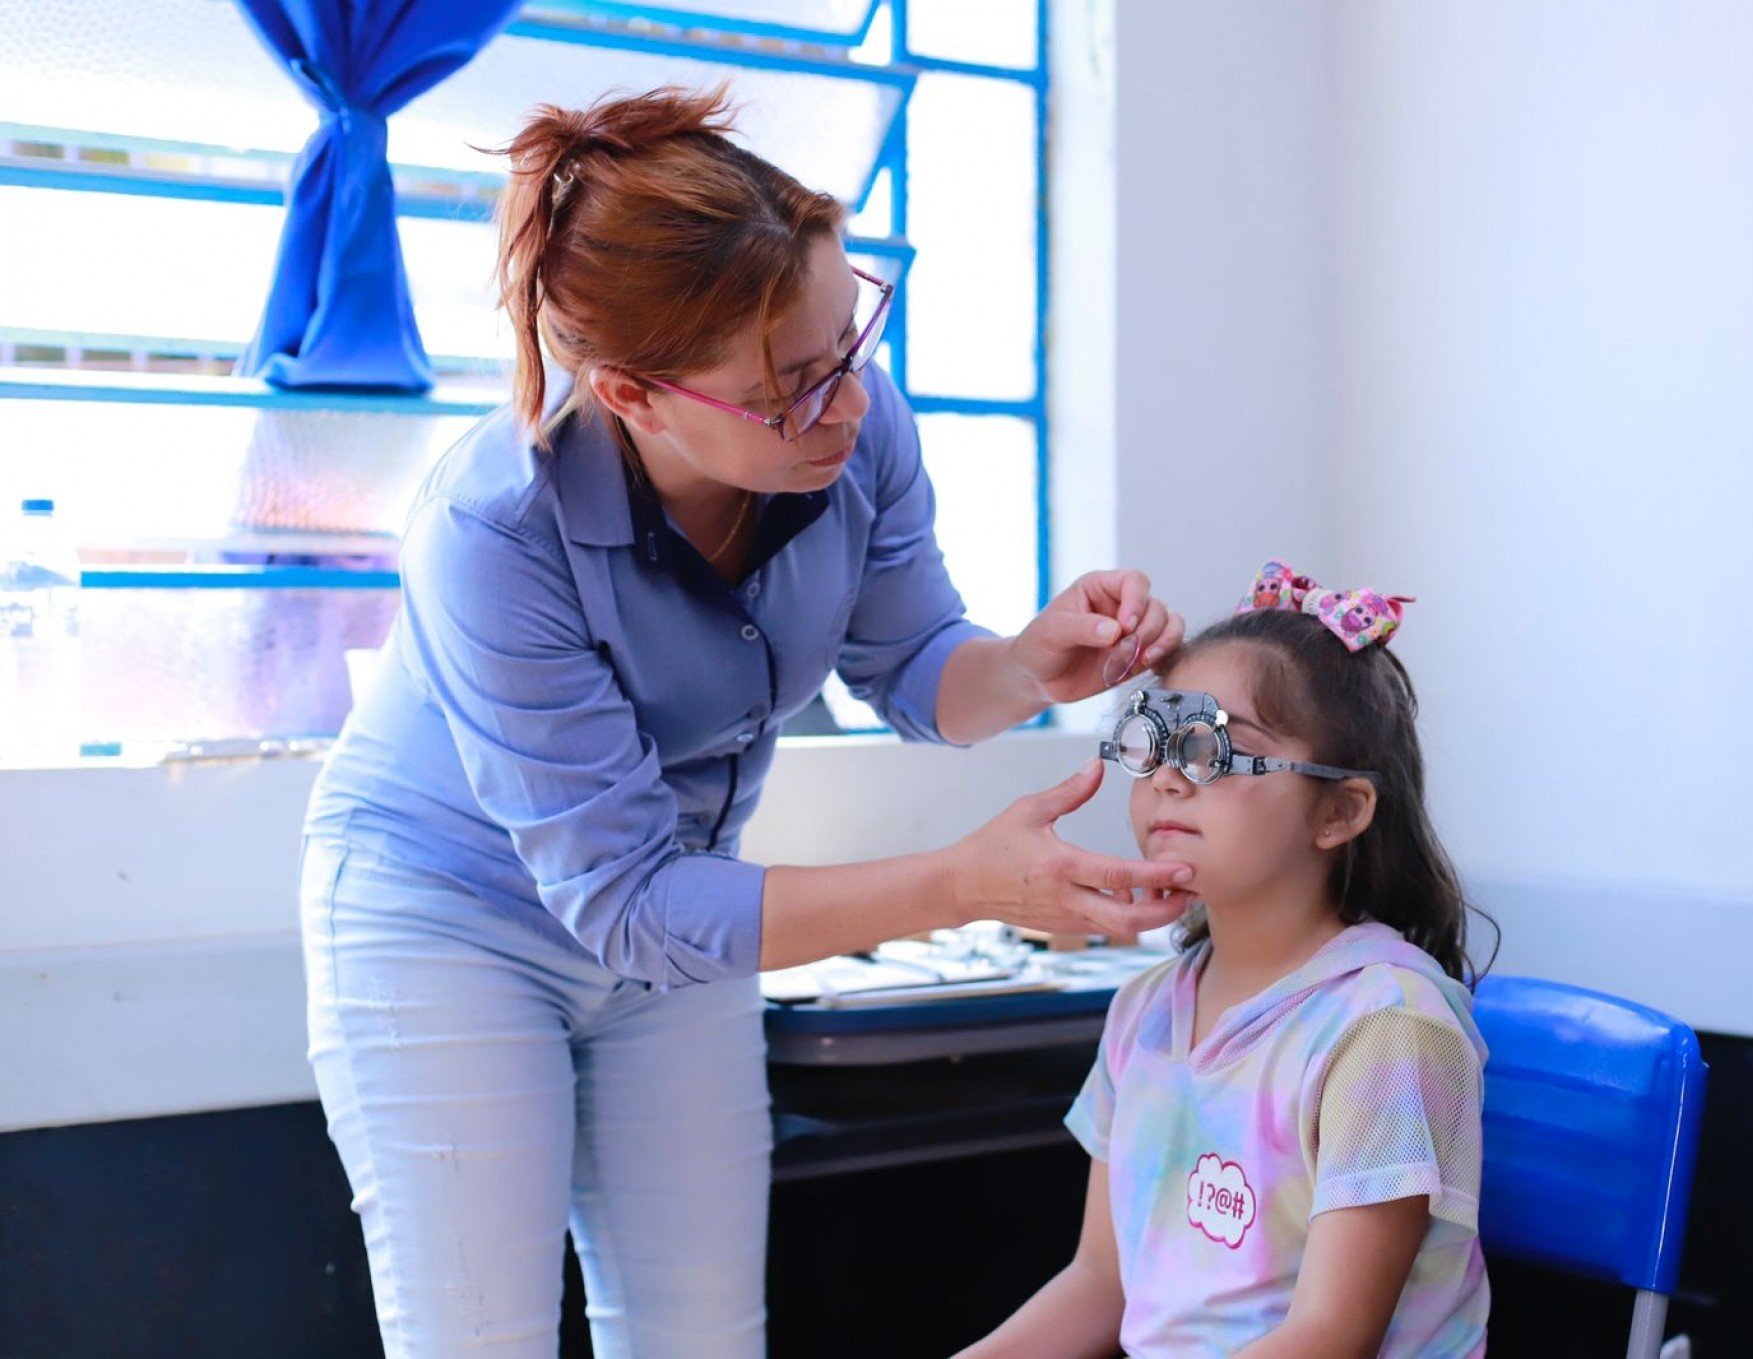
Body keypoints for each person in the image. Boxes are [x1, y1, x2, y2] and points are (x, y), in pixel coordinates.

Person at [299, 85, 1192, 1358]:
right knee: (477, 1336)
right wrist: (964, 882)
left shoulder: (851, 424)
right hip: (451, 920)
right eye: (789, 386)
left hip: (683, 911)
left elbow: (914, 666)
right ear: (633, 394)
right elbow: (626, 903)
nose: (843, 402)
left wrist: (1036, 666)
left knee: (703, 1335)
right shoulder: (494, 531)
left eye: (849, 343)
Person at [961, 561, 1490, 1358]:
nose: (1169, 779)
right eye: (1154, 742)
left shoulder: (1386, 1028)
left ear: (1339, 810)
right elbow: (1101, 1281)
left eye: (1212, 750)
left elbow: (1329, 1337)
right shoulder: (1143, 1010)